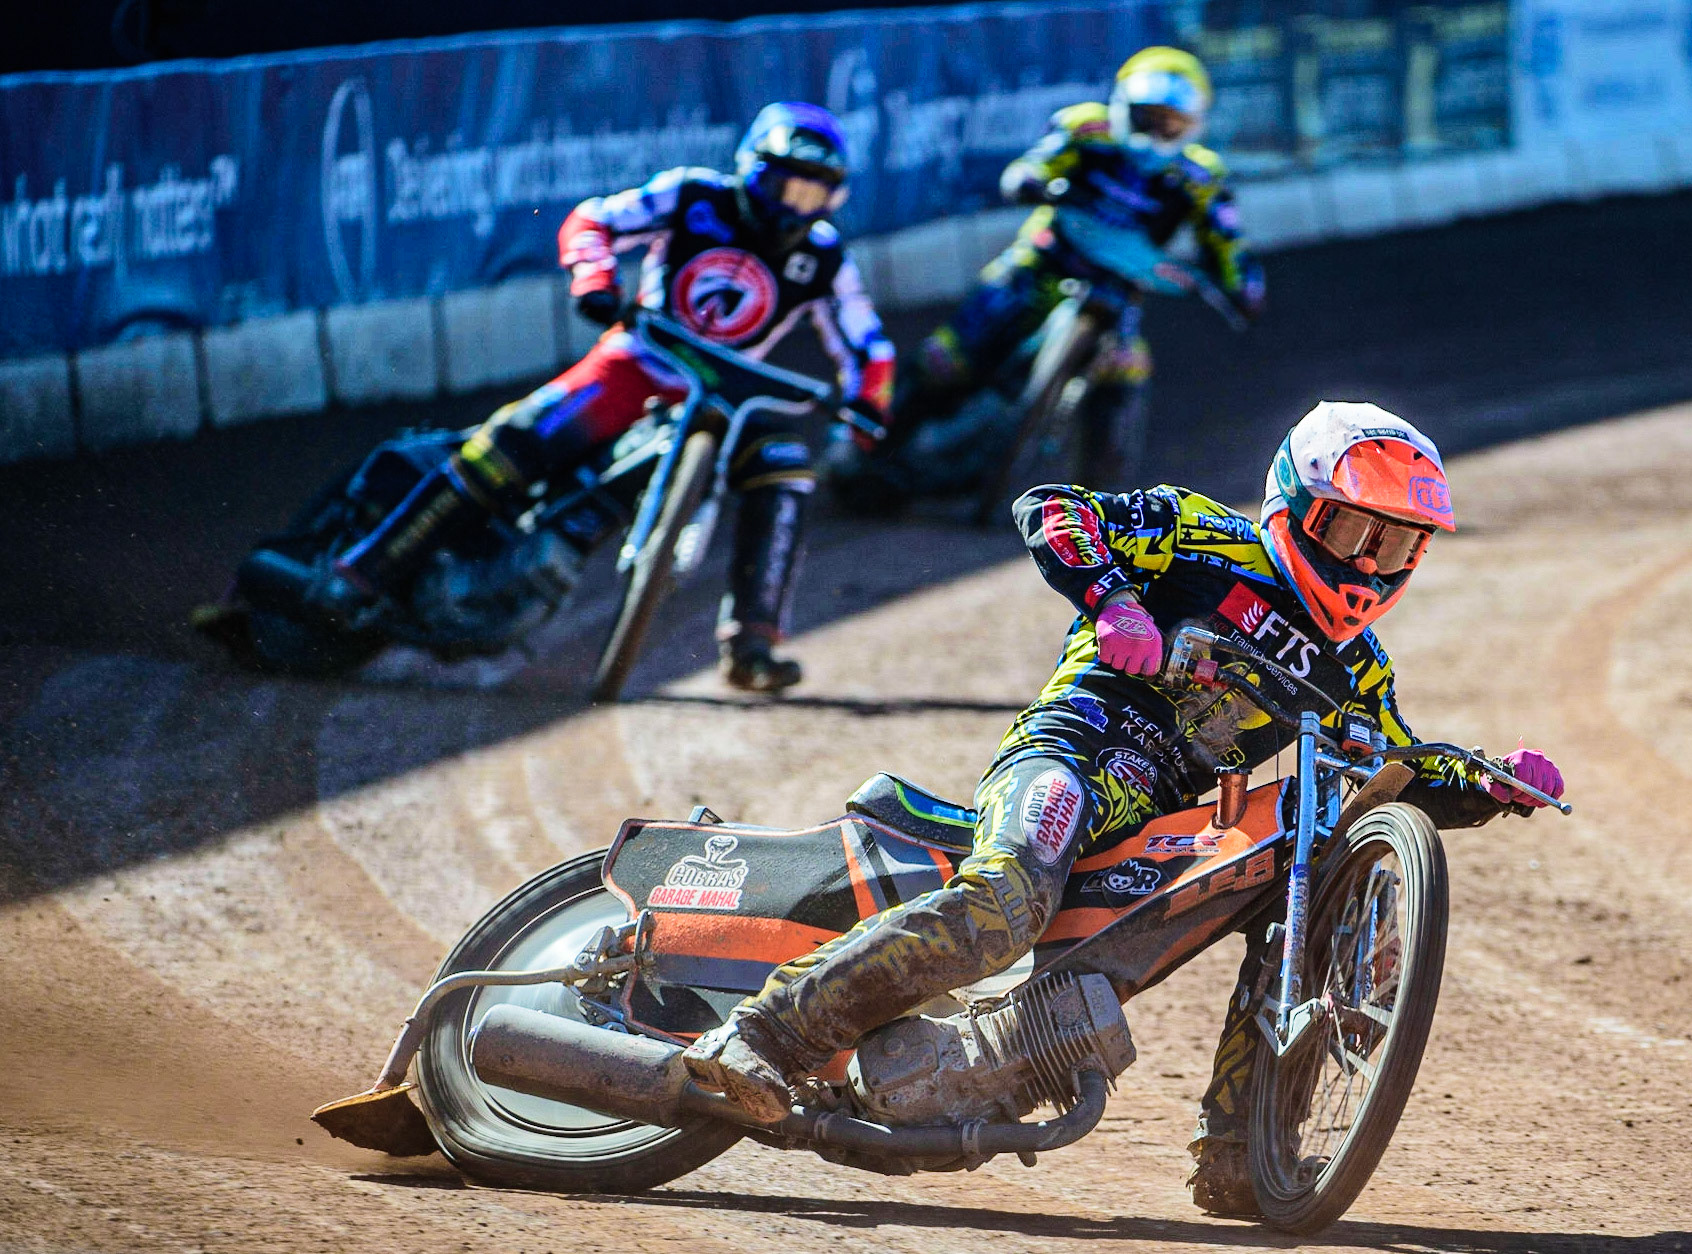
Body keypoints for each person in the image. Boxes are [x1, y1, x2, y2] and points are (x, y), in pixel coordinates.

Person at [683, 402, 1566, 1194]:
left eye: (1397, 545)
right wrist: (1113, 603)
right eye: (1351, 530)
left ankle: (1241, 1152)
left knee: (1293, 885)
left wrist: (1490, 780)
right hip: (1067, 753)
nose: (1369, 563)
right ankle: (764, 1035)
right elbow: (1052, 507)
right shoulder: (1199, 534)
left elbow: (1396, 761)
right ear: (1294, 504)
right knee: (1004, 901)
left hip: (1159, 826)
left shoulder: (1359, 669)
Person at [325, 102, 895, 693]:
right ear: (751, 169)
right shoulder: (692, 194)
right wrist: (595, 279)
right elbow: (592, 220)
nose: (792, 207)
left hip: (726, 400)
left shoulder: (826, 258)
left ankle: (753, 646)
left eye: (810, 195)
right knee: (513, 442)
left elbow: (869, 344)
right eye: (783, 187)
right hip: (637, 362)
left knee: (786, 466)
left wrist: (869, 407)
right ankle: (367, 567)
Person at [832, 46, 1267, 510]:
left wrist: (1241, 286)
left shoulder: (1201, 176)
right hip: (1039, 265)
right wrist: (1031, 180)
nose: (1158, 131)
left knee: (1127, 364)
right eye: (1148, 116)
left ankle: (1102, 509)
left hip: (1118, 291)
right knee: (947, 358)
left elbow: (1227, 242)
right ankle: (860, 453)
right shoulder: (1086, 128)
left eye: (1172, 123)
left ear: (1193, 126)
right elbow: (1033, 165)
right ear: (1123, 105)